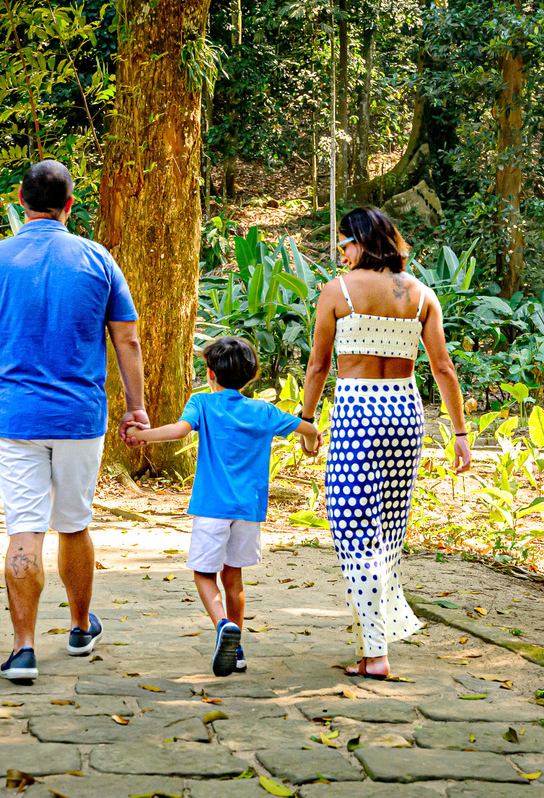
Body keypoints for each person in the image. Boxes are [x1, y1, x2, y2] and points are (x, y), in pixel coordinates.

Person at [0, 159, 148, 682]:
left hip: (14, 418)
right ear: (70, 205)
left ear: (20, 199)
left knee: (24, 531)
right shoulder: (97, 259)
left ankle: (24, 648)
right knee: (75, 524)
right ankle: (80, 627)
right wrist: (136, 406)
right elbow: (126, 339)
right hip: (81, 417)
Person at [299, 207, 471, 680]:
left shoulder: (338, 291)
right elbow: (444, 369)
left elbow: (318, 367)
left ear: (361, 241)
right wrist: (459, 433)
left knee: (351, 529)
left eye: (344, 243)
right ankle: (378, 633)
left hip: (357, 411)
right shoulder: (421, 295)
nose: (342, 252)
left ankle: (376, 650)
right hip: (405, 411)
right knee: (389, 533)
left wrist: (307, 419)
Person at [126, 336, 319, 676]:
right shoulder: (264, 411)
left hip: (212, 507)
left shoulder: (202, 404)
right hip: (248, 511)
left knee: (203, 573)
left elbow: (177, 431)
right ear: (252, 375)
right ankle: (238, 648)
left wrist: (143, 435)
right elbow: (309, 428)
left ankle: (221, 625)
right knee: (234, 578)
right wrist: (309, 443)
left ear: (210, 373)